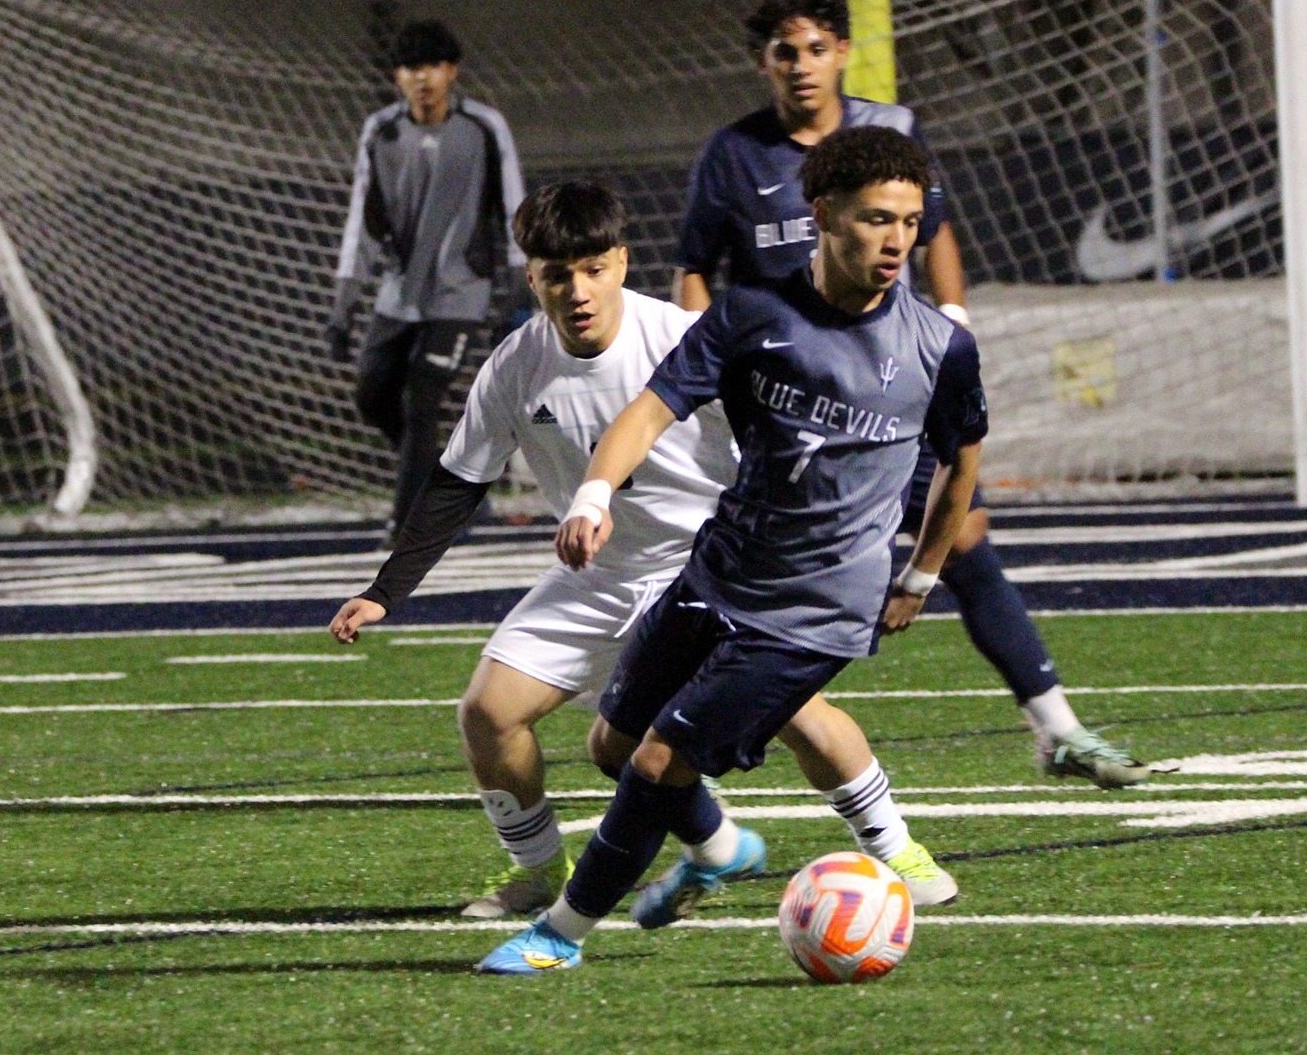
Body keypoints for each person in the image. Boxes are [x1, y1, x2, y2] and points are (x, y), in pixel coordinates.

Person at [329, 180, 956, 922]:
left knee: (797, 713)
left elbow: (790, 433)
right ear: (531, 277)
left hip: (709, 564)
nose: (578, 290)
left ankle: (896, 848)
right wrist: (386, 589)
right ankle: (547, 871)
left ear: (623, 262)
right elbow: (458, 480)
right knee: (490, 712)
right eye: (557, 274)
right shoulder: (514, 364)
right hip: (600, 574)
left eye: (594, 267)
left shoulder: (685, 335)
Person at [478, 128, 983, 975]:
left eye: (909, 219)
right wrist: (596, 493)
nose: (897, 240)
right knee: (612, 744)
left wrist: (923, 573)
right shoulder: (752, 314)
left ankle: (560, 933)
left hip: (814, 611)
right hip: (718, 573)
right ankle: (717, 852)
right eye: (873, 219)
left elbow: (962, 466)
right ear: (821, 216)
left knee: (659, 757)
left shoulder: (939, 345)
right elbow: (648, 408)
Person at [675, 0, 1151, 787]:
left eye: (818, 48)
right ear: (763, 62)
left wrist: (954, 316)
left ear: (844, 52)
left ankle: (1057, 728)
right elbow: (694, 267)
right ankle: (689, 753)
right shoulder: (733, 155)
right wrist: (712, 363)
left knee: (961, 533)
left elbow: (936, 233)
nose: (802, 66)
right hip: (783, 410)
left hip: (887, 381)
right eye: (784, 51)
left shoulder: (890, 132)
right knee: (764, 575)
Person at [326, 20, 528, 548]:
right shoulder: (381, 132)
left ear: (451, 72)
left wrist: (515, 280)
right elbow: (361, 219)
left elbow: (513, 204)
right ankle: (448, 484)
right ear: (397, 77)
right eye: (412, 69)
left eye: (433, 67)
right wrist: (343, 304)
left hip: (463, 291)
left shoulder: (484, 128)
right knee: (372, 397)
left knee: (422, 403)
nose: (423, 79)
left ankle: (408, 526)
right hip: (399, 292)